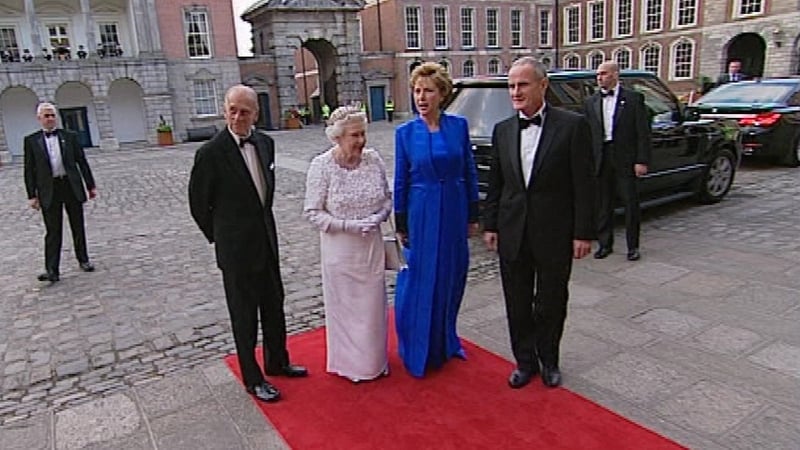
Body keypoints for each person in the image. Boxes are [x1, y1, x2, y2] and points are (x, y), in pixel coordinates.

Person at [189, 85, 307, 404]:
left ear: (256, 113)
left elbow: (264, 196)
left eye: (245, 111)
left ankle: (277, 361)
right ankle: (253, 379)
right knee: (244, 315)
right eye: (233, 110)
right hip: (235, 250)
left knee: (274, 304)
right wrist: (223, 237)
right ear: (225, 110)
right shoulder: (210, 153)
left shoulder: (266, 143)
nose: (238, 116)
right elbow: (199, 205)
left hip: (266, 241)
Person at [482, 57, 595, 389]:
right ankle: (525, 361)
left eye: (523, 84)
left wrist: (583, 232)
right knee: (516, 302)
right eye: (512, 86)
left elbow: (585, 184)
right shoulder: (502, 130)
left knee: (551, 301)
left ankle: (549, 360)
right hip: (513, 231)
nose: (515, 92)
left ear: (543, 85)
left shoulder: (573, 126)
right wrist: (491, 225)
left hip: (554, 232)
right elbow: (497, 184)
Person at [394, 62, 480, 378]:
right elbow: (401, 180)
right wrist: (401, 222)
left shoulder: (457, 126)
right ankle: (418, 348)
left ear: (441, 94)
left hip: (455, 209)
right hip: (421, 211)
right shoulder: (405, 133)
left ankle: (446, 341)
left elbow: (469, 171)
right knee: (420, 279)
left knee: (451, 275)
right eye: (417, 90)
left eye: (428, 90)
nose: (421, 97)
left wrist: (473, 213)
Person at [303, 106, 392, 383]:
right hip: (340, 250)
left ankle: (375, 362)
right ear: (337, 137)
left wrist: (378, 217)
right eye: (355, 135)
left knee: (373, 308)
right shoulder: (322, 166)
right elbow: (313, 212)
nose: (361, 140)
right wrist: (348, 226)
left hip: (370, 248)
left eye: (363, 133)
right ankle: (349, 364)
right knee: (346, 309)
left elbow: (387, 199)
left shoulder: (373, 160)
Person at [583, 61, 651, 262]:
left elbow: (643, 133)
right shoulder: (591, 102)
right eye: (597, 74)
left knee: (630, 203)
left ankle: (633, 246)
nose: (599, 77)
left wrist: (641, 160)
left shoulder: (633, 99)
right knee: (603, 203)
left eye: (603, 73)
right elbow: (587, 134)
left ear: (615, 74)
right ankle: (605, 244)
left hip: (625, 158)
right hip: (601, 157)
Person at [24, 102, 97, 284]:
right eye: (46, 116)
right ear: (39, 118)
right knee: (53, 230)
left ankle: (83, 259)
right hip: (49, 189)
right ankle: (52, 269)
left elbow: (82, 162)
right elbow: (29, 170)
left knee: (77, 225)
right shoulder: (31, 141)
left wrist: (90, 185)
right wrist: (31, 195)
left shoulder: (70, 137)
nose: (50, 119)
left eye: (52, 115)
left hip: (70, 185)